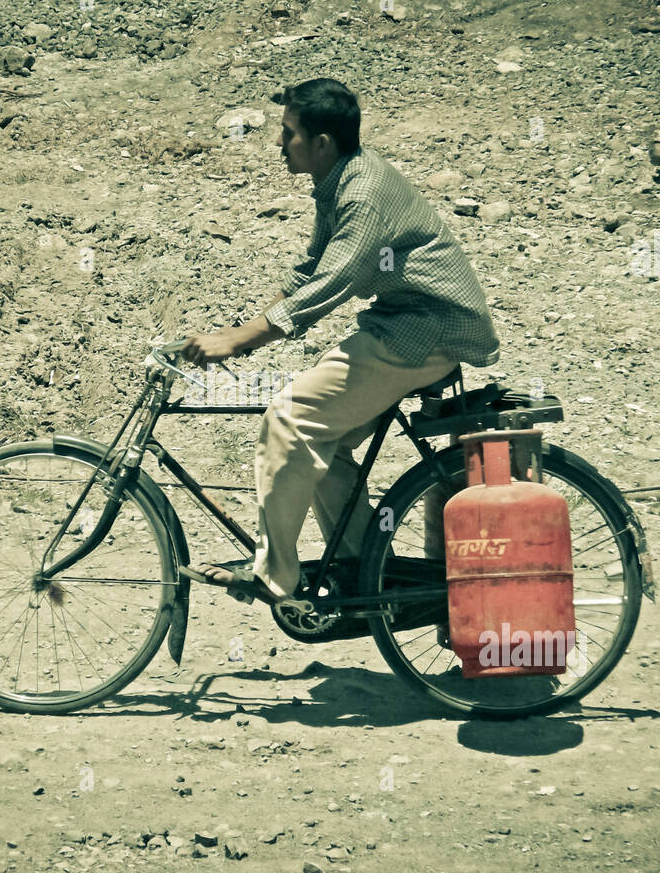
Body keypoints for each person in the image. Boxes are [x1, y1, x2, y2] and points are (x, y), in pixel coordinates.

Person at [178, 78, 501, 608]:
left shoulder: (363, 194)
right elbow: (311, 269)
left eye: (288, 133)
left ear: (321, 142)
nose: (279, 144)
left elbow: (334, 281)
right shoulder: (340, 180)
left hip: (423, 331)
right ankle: (361, 575)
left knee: (289, 416)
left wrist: (240, 342)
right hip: (400, 322)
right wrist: (237, 328)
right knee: (322, 441)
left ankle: (271, 575)